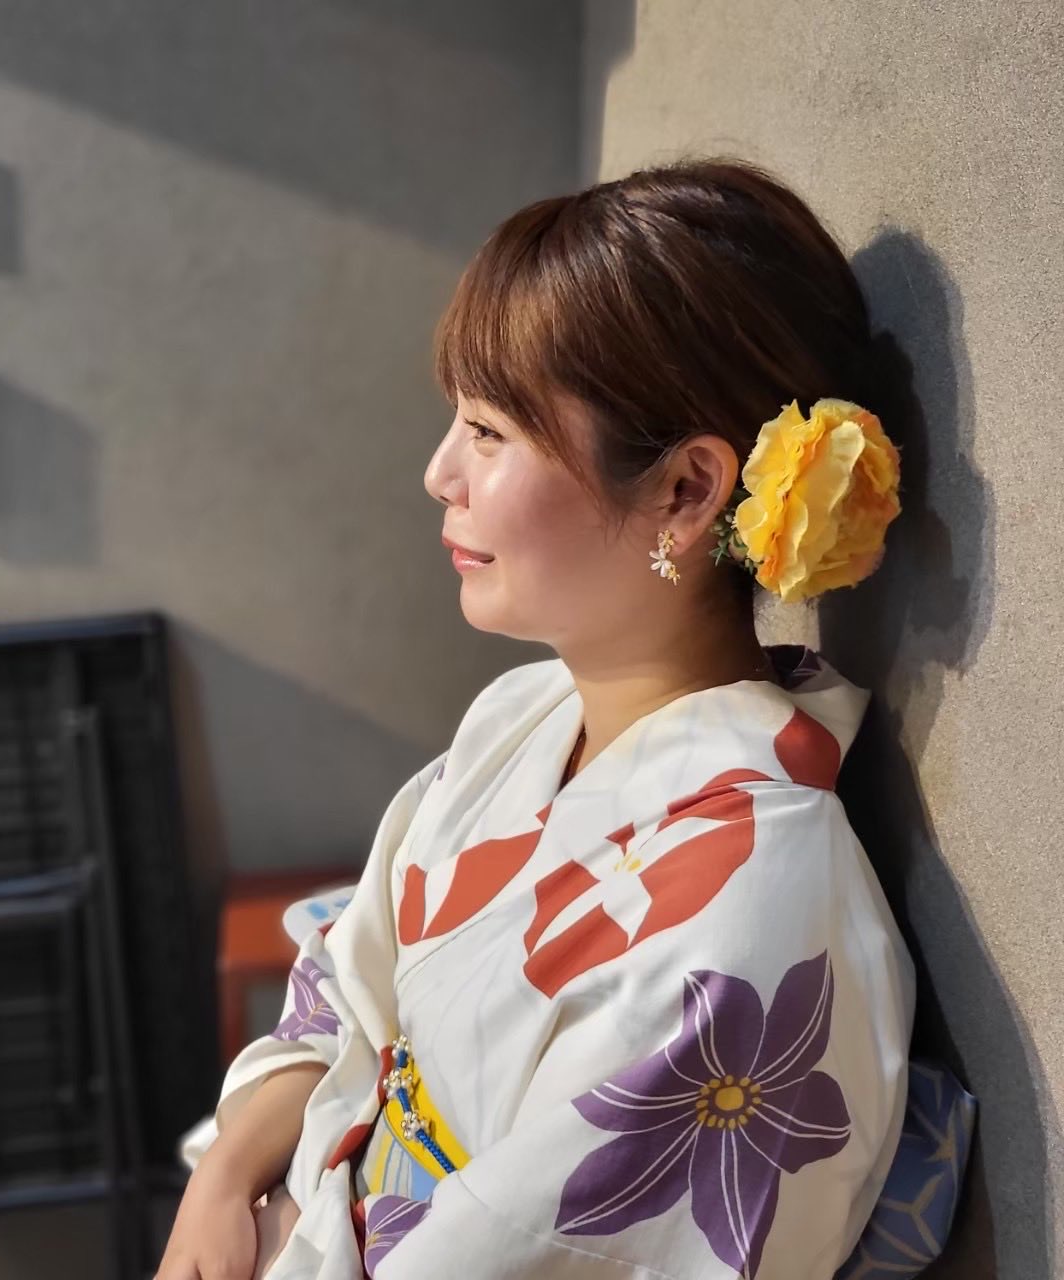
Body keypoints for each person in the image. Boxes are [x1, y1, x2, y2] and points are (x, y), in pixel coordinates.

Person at [157, 156, 919, 1279]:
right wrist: (227, 1172)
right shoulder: (525, 715)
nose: (439, 473)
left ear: (685, 491)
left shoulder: (752, 904)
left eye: (488, 432)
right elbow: (351, 979)